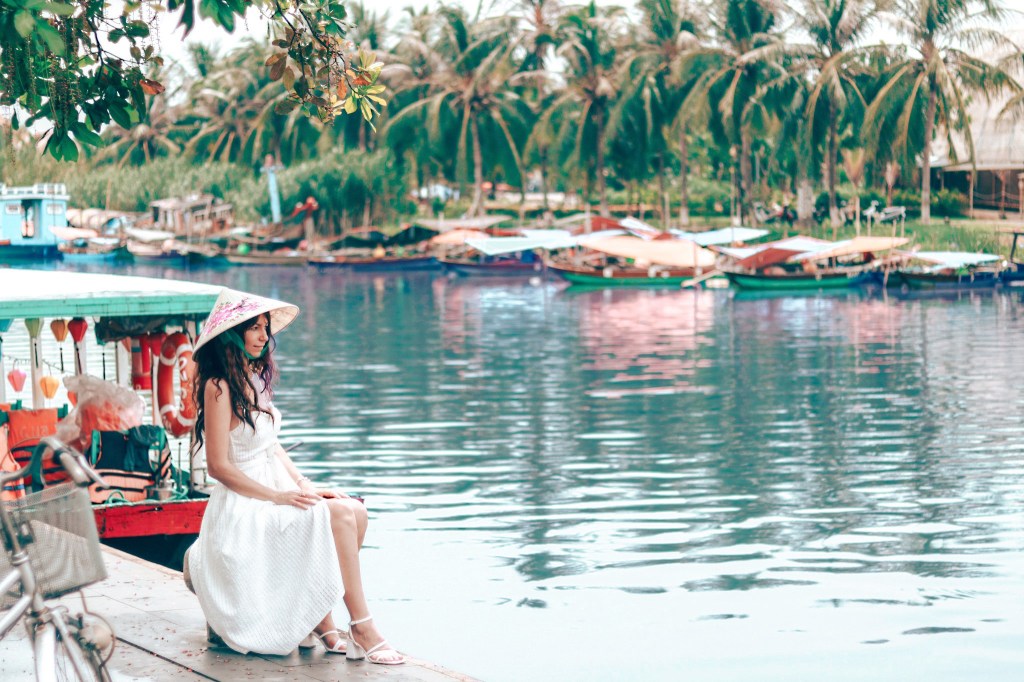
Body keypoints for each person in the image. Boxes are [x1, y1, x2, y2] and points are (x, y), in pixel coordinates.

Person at [183, 289, 404, 665]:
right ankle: (362, 626)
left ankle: (319, 617)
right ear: (232, 333)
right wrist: (277, 496)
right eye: (254, 327)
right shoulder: (218, 386)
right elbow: (218, 467)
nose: (263, 336)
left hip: (275, 487)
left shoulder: (254, 378)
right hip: (243, 506)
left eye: (265, 328)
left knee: (354, 510)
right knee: (338, 516)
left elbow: (271, 446)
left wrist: (304, 485)